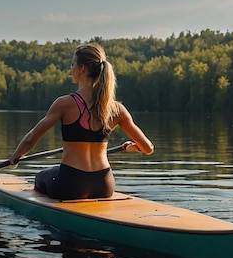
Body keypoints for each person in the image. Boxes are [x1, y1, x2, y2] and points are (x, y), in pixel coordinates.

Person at [8, 43, 154, 200]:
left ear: (82, 68)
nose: (71, 69)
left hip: (72, 184)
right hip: (104, 184)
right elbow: (147, 148)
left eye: (73, 65)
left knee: (41, 177)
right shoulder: (116, 109)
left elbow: (31, 139)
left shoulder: (65, 103)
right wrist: (132, 148)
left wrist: (15, 156)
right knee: (54, 173)